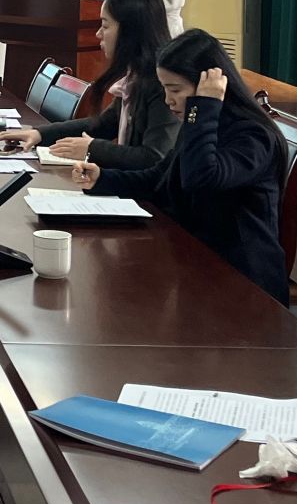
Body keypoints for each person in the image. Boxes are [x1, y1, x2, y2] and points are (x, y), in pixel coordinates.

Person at [70, 29, 286, 302]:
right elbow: (161, 178)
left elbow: (200, 178)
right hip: (197, 263)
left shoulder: (253, 136)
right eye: (164, 89)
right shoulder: (199, 125)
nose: (167, 100)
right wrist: (103, 178)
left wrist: (203, 107)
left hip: (245, 284)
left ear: (209, 87)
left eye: (175, 90)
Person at [0, 0, 178, 170]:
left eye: (105, 26)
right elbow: (104, 125)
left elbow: (155, 157)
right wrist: (39, 134)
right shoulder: (136, 75)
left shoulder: (163, 84)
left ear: (130, 31)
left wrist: (92, 148)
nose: (98, 34)